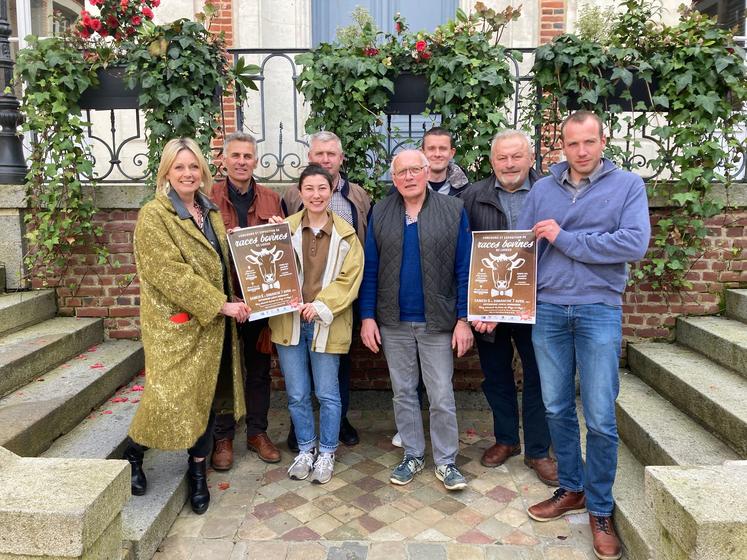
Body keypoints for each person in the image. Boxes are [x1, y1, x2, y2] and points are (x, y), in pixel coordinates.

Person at [519, 111, 650, 560]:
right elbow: (520, 249)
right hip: (550, 309)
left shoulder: (628, 186)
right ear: (562, 145)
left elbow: (633, 244)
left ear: (602, 140)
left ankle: (599, 508)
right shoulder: (541, 190)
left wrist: (565, 239)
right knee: (555, 405)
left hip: (598, 309)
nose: (581, 152)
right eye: (573, 144)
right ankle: (570, 488)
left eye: (589, 143)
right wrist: (497, 301)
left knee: (599, 415)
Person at [123, 137, 251, 515]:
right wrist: (221, 305)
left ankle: (197, 472)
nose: (188, 173)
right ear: (166, 172)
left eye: (193, 166)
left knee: (208, 397)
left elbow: (221, 262)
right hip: (177, 328)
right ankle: (133, 452)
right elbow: (169, 274)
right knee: (167, 399)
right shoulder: (154, 215)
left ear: (203, 171)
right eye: (179, 167)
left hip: (211, 327)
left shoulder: (209, 212)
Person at [359, 149, 473, 491]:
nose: (408, 177)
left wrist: (464, 318)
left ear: (427, 172)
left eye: (414, 170)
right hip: (393, 321)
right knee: (403, 392)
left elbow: (464, 267)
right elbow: (371, 270)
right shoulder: (381, 212)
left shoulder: (453, 210)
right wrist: (367, 317)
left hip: (437, 321)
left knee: (440, 394)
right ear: (394, 179)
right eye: (401, 172)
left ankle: (447, 461)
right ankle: (412, 454)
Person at [461, 130, 557, 486]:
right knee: (496, 376)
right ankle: (505, 440)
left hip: (540, 303)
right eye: (502, 158)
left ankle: (537, 449)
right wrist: (475, 307)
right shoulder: (472, 196)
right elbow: (464, 256)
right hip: (489, 309)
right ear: (492, 162)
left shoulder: (551, 192)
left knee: (539, 376)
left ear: (530, 158)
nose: (509, 164)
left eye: (516, 156)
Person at [270, 164, 364, 484]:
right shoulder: (283, 229)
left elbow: (349, 279)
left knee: (327, 394)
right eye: (308, 188)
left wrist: (321, 305)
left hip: (327, 322)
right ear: (300, 192)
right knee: (297, 394)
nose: (315, 195)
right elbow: (265, 270)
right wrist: (269, 238)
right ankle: (306, 449)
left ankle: (326, 452)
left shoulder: (346, 235)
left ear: (331, 190)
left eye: (322, 188)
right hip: (289, 323)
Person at [282, 131, 372, 448]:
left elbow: (362, 247)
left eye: (331, 154)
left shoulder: (358, 196)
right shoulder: (292, 199)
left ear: (340, 159)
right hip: (294, 309)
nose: (325, 159)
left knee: (336, 369)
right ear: (310, 158)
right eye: (319, 154)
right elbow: (279, 250)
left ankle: (339, 422)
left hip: (338, 303)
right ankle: (301, 430)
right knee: (298, 378)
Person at [209, 132, 284, 469]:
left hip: (259, 301)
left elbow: (283, 251)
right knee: (224, 370)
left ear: (256, 161)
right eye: (235, 156)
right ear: (222, 161)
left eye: (247, 156)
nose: (241, 161)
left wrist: (281, 232)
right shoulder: (206, 197)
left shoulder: (271, 198)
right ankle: (223, 437)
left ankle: (257, 433)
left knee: (258, 370)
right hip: (224, 299)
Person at [421, 126, 469, 196]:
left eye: (443, 149)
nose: (437, 154)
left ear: (452, 153)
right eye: (431, 149)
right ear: (422, 153)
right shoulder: (409, 186)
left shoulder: (467, 191)